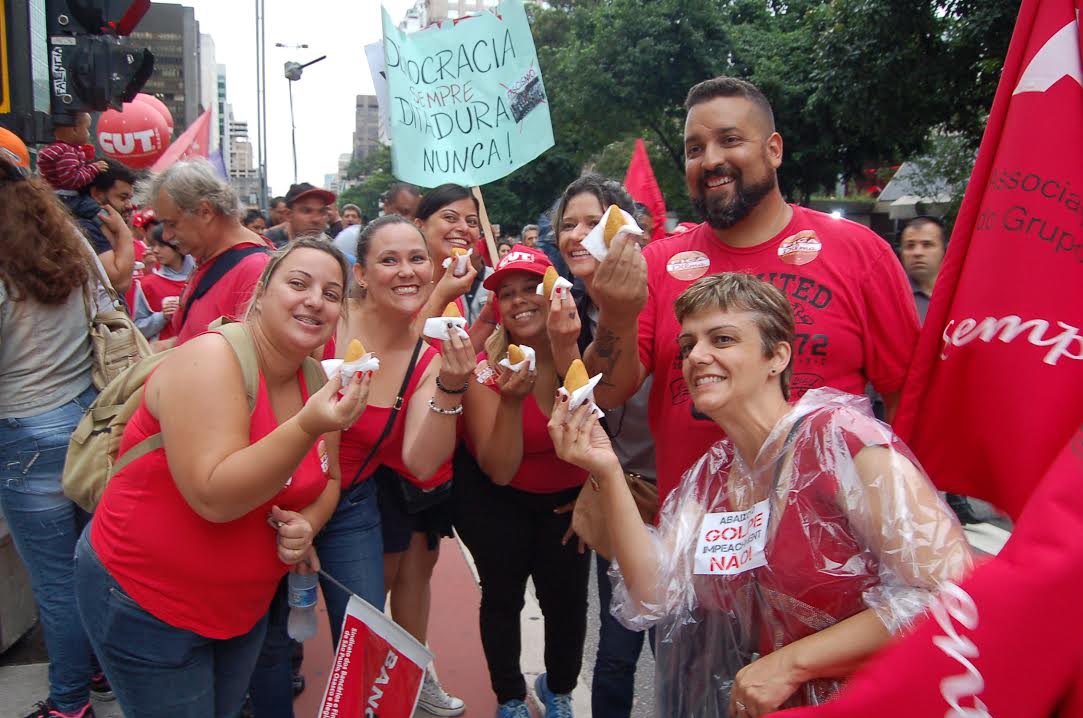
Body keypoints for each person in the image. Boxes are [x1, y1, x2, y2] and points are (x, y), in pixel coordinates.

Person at [550, 272, 973, 717]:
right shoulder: (712, 477)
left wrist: (792, 664)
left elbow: (950, 594)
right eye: (688, 344)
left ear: (777, 356)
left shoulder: (842, 444)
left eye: (723, 339)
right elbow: (653, 594)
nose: (697, 356)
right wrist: (607, 468)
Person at [582, 76, 920, 510]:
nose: (710, 160)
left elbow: (907, 398)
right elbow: (607, 393)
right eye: (695, 149)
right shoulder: (656, 265)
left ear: (773, 150)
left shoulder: (860, 254)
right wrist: (616, 313)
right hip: (697, 535)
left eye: (730, 140)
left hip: (833, 534)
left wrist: (902, 513)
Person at [74, 238, 369, 718]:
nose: (316, 300)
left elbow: (330, 478)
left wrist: (309, 524)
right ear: (262, 293)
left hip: (241, 609)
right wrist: (307, 426)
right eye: (298, 283)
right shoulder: (212, 358)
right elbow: (214, 497)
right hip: (147, 599)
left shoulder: (316, 380)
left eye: (331, 294)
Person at [316, 215, 474, 718]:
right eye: (389, 260)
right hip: (283, 494)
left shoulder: (428, 356)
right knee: (269, 635)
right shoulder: (326, 319)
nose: (406, 271)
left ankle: (392, 687)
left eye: (416, 259)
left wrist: (452, 386)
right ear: (361, 274)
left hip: (352, 504)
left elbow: (421, 461)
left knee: (361, 630)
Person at [449, 246, 591, 718]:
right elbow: (499, 469)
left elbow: (606, 435)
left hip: (567, 504)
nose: (519, 300)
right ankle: (510, 697)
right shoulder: (485, 371)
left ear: (555, 294)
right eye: (507, 294)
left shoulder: (582, 352)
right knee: (502, 599)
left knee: (567, 605)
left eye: (531, 288)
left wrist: (594, 496)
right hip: (499, 501)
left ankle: (560, 690)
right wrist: (512, 401)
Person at [0, 157, 115, 718]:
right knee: (92, 564)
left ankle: (69, 704)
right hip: (90, 419)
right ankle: (99, 668)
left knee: (56, 582)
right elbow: (110, 307)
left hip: (26, 434)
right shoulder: (68, 240)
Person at [549, 174, 656, 718]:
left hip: (677, 495)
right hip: (620, 500)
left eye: (594, 223)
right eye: (568, 225)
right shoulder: (564, 309)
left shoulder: (657, 293)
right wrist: (561, 344)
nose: (578, 235)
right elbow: (579, 414)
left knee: (679, 647)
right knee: (615, 656)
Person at [143, 159, 271, 349]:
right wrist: (166, 347)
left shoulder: (255, 269)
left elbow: (250, 358)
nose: (166, 236)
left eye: (172, 224)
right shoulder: (208, 258)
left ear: (205, 212)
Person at [413, 184, 495, 351]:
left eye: (472, 222)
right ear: (420, 226)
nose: (464, 228)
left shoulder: (454, 287)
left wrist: (490, 313)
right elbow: (405, 354)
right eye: (450, 217)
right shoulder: (404, 282)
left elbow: (456, 355)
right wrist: (441, 297)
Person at [76, 160, 138, 295]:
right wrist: (124, 232)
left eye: (130, 198)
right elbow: (120, 283)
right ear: (97, 195)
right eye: (123, 198)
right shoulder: (85, 228)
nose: (129, 206)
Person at [132, 225, 195, 341]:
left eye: (161, 245)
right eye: (153, 245)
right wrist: (162, 317)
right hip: (164, 350)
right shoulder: (147, 284)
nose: (155, 250)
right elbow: (137, 329)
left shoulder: (199, 277)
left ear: (178, 247)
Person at [898, 216, 946, 324]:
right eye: (910, 246)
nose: (917, 252)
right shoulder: (892, 297)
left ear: (944, 250)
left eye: (927, 245)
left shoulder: (962, 293)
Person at [264, 183, 336, 249]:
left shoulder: (332, 250)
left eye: (322, 212)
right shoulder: (269, 247)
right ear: (288, 215)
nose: (316, 219)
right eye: (307, 211)